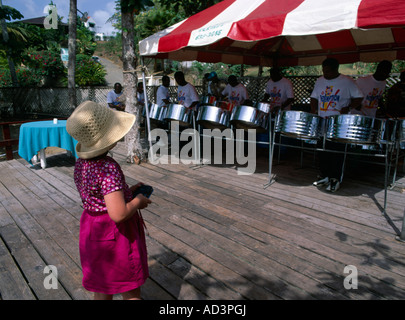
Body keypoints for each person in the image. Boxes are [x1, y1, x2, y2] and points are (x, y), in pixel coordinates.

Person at [66, 101, 152, 300]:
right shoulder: (107, 167)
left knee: (103, 286)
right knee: (129, 287)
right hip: (115, 235)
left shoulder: (82, 163)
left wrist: (128, 192)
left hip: (92, 229)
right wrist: (138, 201)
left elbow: (101, 197)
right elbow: (118, 214)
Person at [310, 58, 364, 192]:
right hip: (323, 121)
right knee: (322, 150)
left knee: (337, 151)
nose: (325, 74)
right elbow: (314, 97)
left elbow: (359, 97)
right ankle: (325, 176)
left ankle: (336, 179)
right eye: (323, 70)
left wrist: (349, 107)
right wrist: (314, 111)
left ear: (336, 69)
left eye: (328, 71)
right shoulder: (320, 81)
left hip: (339, 123)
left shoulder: (347, 81)